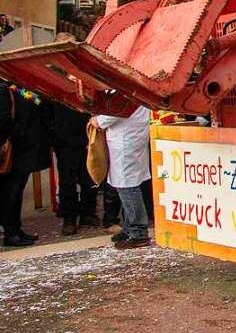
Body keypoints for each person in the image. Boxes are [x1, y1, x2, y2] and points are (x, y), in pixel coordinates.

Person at [94, 106, 152, 249]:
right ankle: (129, 228)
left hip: (127, 138)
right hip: (130, 134)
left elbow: (118, 109)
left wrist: (98, 120)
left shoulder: (127, 87)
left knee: (128, 186)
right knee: (127, 184)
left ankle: (138, 233)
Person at [0, 84, 50, 247]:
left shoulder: (19, 88)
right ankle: (10, 232)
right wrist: (19, 132)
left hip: (24, 150)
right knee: (10, 193)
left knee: (16, 192)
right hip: (15, 150)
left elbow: (38, 103)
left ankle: (16, 229)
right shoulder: (3, 89)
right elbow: (3, 119)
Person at [47, 101, 99, 235]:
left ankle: (88, 212)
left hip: (87, 135)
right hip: (64, 139)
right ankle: (69, 218)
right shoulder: (56, 84)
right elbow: (45, 108)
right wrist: (54, 132)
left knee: (90, 178)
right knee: (67, 181)